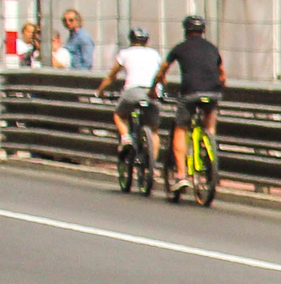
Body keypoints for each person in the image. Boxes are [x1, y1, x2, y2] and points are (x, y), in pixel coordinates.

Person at [155, 13, 225, 186]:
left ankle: (181, 175)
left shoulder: (180, 48)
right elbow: (222, 74)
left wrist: (156, 84)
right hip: (213, 92)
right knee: (209, 115)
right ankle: (210, 142)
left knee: (181, 128)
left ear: (186, 30)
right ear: (203, 31)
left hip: (190, 92)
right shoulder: (212, 48)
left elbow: (163, 69)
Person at [93, 28, 163, 162]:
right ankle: (152, 166)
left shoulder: (125, 53)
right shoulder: (154, 54)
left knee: (119, 115)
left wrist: (99, 91)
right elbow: (161, 75)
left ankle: (126, 139)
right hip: (152, 92)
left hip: (133, 91)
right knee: (154, 130)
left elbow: (112, 76)